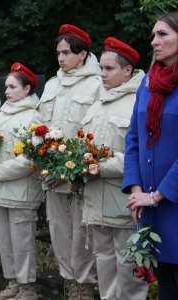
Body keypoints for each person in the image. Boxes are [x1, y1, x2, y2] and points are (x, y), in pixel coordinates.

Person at [74, 37, 148, 300]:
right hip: (96, 202)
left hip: (125, 201)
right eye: (101, 68)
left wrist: (97, 166)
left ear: (127, 71)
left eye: (109, 69)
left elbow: (139, 156)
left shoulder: (141, 102)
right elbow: (83, 149)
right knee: (104, 264)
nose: (102, 74)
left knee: (129, 268)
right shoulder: (98, 102)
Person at [35, 24, 102, 300]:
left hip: (79, 177)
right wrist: (42, 162)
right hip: (52, 175)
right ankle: (69, 282)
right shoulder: (52, 83)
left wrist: (71, 171)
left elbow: (96, 134)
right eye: (58, 53)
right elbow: (40, 126)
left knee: (82, 234)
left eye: (66, 53)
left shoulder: (96, 84)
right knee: (59, 231)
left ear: (83, 54)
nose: (61, 58)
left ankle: (84, 286)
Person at [124, 12, 178, 300]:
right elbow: (133, 137)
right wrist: (136, 191)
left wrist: (157, 195)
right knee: (166, 282)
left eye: (163, 34)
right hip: (149, 206)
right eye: (154, 35)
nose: (154, 41)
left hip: (171, 202)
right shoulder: (147, 84)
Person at [0, 62, 43, 300]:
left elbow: (31, 158)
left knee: (22, 242)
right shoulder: (0, 115)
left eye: (13, 87)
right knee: (5, 241)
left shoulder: (33, 117)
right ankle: (13, 283)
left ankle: (28, 288)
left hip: (21, 190)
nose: (7, 91)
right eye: (6, 87)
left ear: (27, 89)